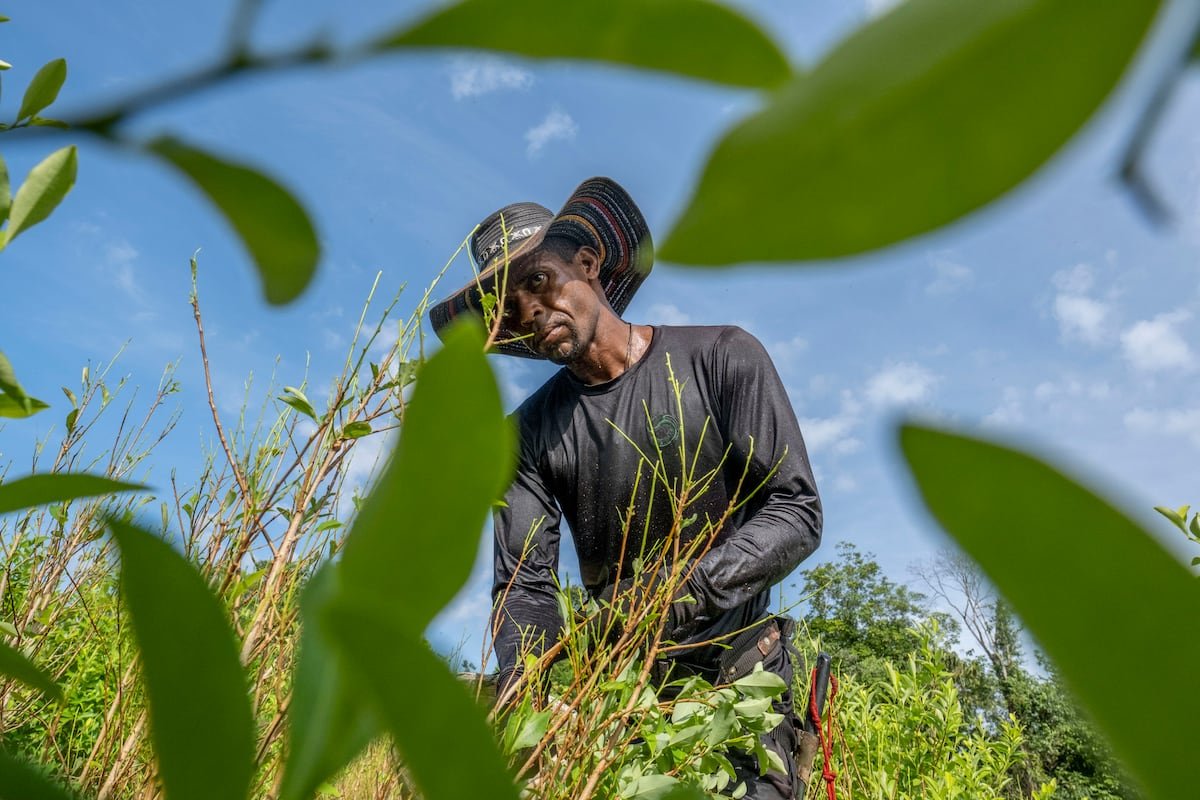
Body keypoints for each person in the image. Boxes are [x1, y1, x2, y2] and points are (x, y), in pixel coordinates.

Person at [430, 177, 822, 799]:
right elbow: (525, 588)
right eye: (508, 306)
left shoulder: (721, 357)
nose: (528, 311)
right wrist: (525, 710)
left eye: (538, 281)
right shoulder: (525, 438)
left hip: (741, 675)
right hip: (621, 697)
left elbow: (794, 511)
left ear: (586, 263)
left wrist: (673, 597)